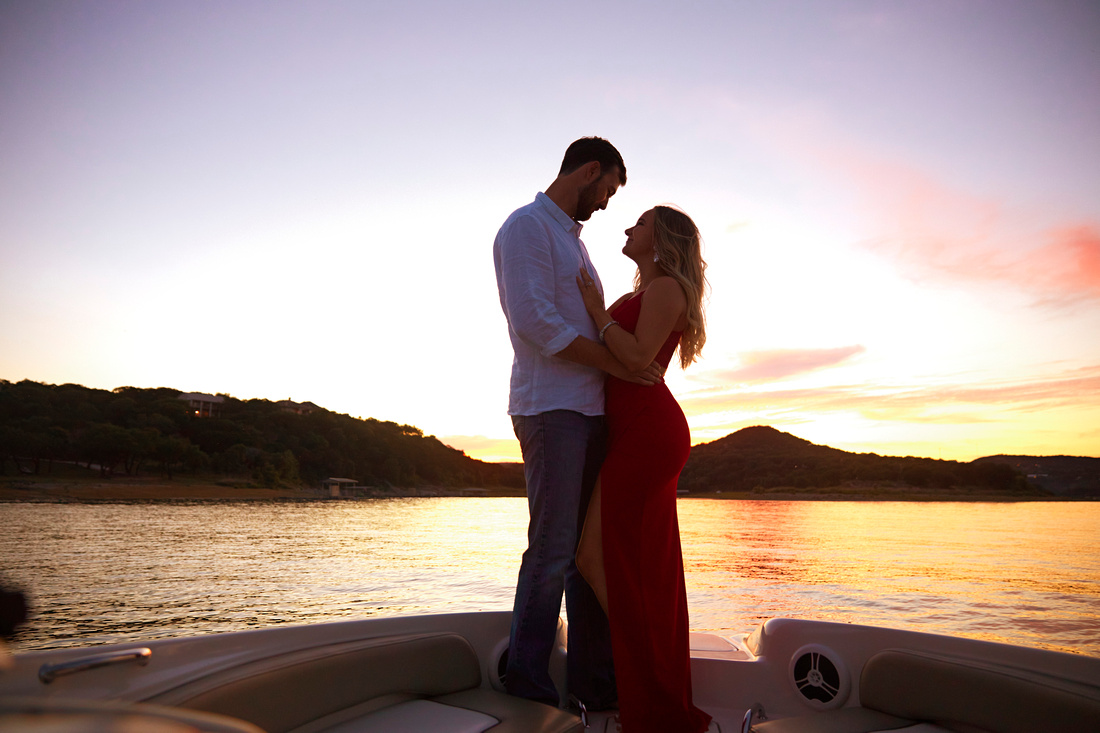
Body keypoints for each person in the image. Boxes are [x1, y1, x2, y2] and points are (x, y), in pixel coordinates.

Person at [492, 137, 663, 711]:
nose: (608, 202)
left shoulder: (575, 244)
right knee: (553, 549)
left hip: (591, 413)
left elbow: (588, 324)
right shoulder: (527, 228)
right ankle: (528, 687)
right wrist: (619, 365)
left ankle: (594, 686)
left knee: (589, 553)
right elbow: (535, 323)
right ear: (589, 171)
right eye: (608, 188)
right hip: (552, 409)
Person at [575, 205, 713, 733]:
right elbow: (623, 358)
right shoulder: (644, 292)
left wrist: (597, 311)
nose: (629, 229)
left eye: (640, 224)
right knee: (618, 563)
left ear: (663, 240)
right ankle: (651, 677)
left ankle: (654, 685)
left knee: (597, 558)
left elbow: (636, 358)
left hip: (649, 433)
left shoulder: (667, 289)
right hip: (630, 430)